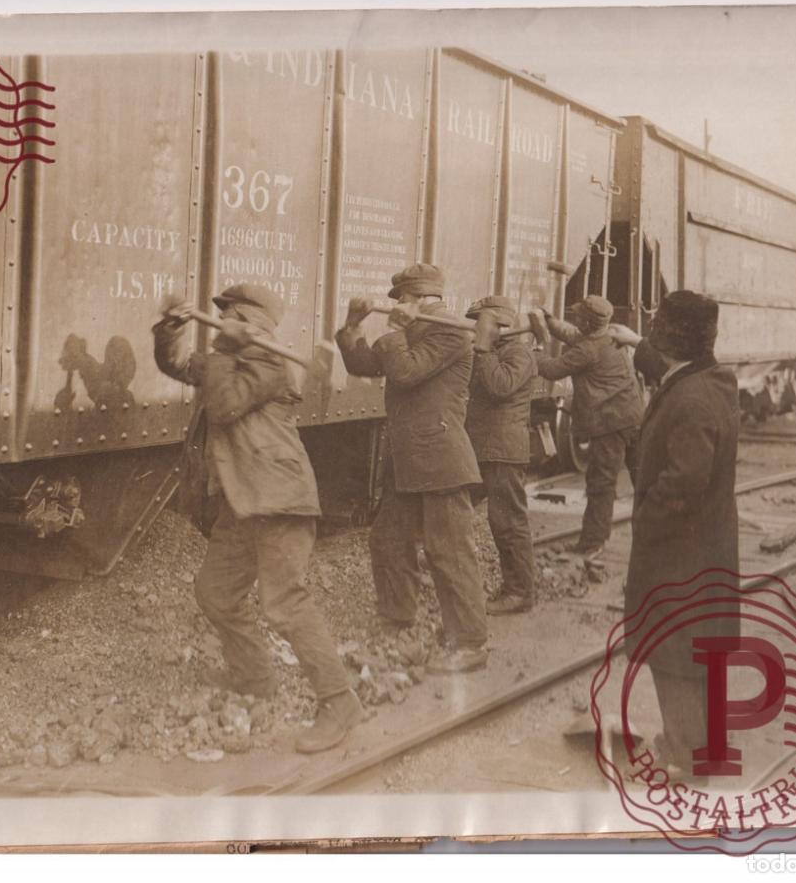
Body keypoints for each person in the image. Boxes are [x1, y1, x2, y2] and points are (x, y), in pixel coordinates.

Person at [153, 283, 362, 754]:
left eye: (230, 316)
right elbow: (176, 364)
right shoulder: (229, 360)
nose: (220, 323)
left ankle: (339, 702)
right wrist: (171, 328)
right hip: (243, 503)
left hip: (279, 501)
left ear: (251, 325)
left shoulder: (270, 364)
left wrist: (226, 349)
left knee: (285, 603)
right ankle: (255, 678)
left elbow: (224, 405)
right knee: (215, 592)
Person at [336, 263, 489, 674]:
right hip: (408, 462)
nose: (397, 306)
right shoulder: (413, 331)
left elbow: (406, 371)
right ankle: (397, 619)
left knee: (449, 553)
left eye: (402, 298)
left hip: (440, 459)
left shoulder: (451, 332)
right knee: (388, 540)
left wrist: (396, 330)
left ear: (419, 298)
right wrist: (352, 326)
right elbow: (363, 364)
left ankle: (470, 642)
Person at [624, 290, 740, 776]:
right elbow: (661, 366)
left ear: (668, 339)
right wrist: (631, 341)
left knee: (673, 655)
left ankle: (687, 758)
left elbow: (684, 480)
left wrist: (646, 518)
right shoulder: (709, 380)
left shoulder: (690, 399)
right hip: (705, 548)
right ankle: (704, 746)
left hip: (678, 554)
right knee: (699, 654)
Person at [537, 295, 645, 559]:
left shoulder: (587, 350)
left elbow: (551, 369)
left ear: (587, 322)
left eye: (579, 316)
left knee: (601, 485)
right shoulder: (610, 334)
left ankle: (592, 545)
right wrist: (550, 321)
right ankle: (662, 539)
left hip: (609, 425)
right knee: (645, 481)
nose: (575, 319)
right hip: (634, 418)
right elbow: (574, 334)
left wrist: (533, 349)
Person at [464, 296, 539, 615]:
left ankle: (520, 592)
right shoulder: (494, 353)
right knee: (454, 505)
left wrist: (482, 348)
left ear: (500, 326)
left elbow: (499, 386)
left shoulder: (519, 354)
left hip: (504, 451)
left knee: (508, 523)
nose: (476, 329)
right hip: (485, 448)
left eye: (481, 323)